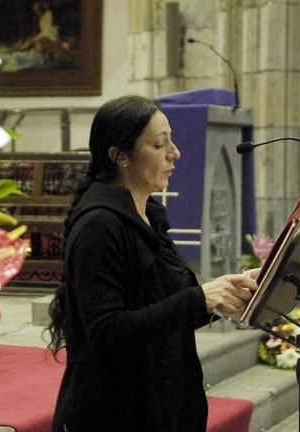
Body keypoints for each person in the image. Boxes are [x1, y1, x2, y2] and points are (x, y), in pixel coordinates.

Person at [47, 95, 259, 432]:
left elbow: (165, 308)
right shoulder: (99, 225)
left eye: (171, 140)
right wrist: (199, 298)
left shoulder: (148, 215)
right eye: (160, 144)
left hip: (163, 401)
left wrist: (225, 294)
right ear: (120, 156)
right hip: (115, 411)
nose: (175, 152)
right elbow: (106, 331)